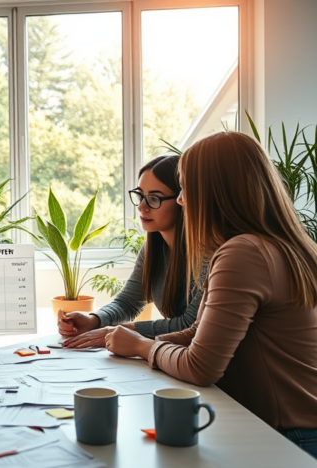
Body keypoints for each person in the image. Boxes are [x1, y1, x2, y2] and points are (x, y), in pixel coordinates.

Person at [105, 132, 317, 458]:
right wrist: (131, 343)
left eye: (186, 188)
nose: (180, 200)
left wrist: (142, 346)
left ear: (214, 193)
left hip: (290, 435)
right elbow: (196, 333)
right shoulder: (271, 244)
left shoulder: (243, 253)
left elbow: (201, 366)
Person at [61, 155, 206, 348]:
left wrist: (120, 332)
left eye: (154, 198)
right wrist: (93, 320)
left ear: (182, 199)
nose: (141, 207)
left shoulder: (209, 255)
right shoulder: (153, 248)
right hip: (173, 356)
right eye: (140, 196)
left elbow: (189, 324)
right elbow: (128, 302)